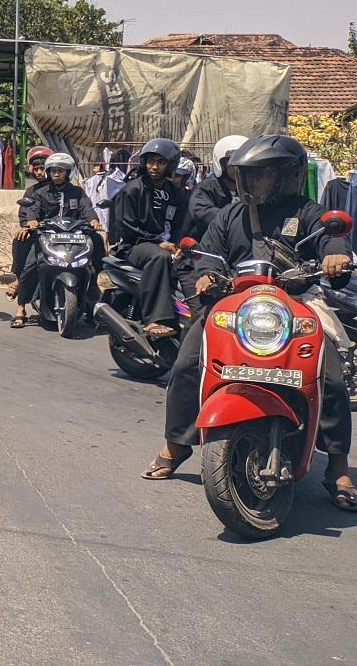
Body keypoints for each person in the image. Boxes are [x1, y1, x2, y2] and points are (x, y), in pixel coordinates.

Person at [143, 135, 356, 512]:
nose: (249, 183)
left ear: (285, 176)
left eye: (258, 175)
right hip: (236, 303)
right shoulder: (231, 214)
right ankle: (177, 444)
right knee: (187, 364)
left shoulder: (306, 211)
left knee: (332, 377)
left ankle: (337, 466)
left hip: (297, 303)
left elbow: (331, 240)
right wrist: (207, 274)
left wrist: (335, 255)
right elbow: (208, 254)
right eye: (246, 176)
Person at [9, 153, 104, 328]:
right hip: (46, 237)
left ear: (68, 172)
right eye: (53, 171)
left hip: (74, 237)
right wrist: (32, 221)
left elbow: (87, 208)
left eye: (60, 171)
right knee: (30, 266)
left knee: (94, 250)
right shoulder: (40, 193)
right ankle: (21, 308)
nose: (56, 174)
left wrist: (93, 220)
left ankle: (92, 298)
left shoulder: (77, 192)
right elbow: (32, 209)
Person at [109, 138, 189, 337]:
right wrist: (158, 242)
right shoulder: (132, 190)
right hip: (136, 245)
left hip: (167, 245)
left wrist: (180, 244)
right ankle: (156, 318)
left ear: (170, 165)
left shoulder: (176, 193)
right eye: (150, 161)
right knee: (159, 257)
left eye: (160, 162)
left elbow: (182, 223)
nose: (154, 167)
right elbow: (126, 227)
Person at [6, 146, 56, 306]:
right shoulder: (31, 191)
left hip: (62, 232)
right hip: (38, 233)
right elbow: (24, 213)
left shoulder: (63, 189)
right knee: (20, 241)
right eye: (37, 168)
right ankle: (20, 279)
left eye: (43, 168)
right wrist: (26, 226)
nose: (40, 172)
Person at [187, 135, 246, 241]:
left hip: (237, 243)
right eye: (233, 163)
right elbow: (202, 212)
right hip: (206, 245)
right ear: (221, 165)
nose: (238, 168)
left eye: (242, 164)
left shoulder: (249, 191)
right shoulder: (205, 189)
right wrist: (236, 219)